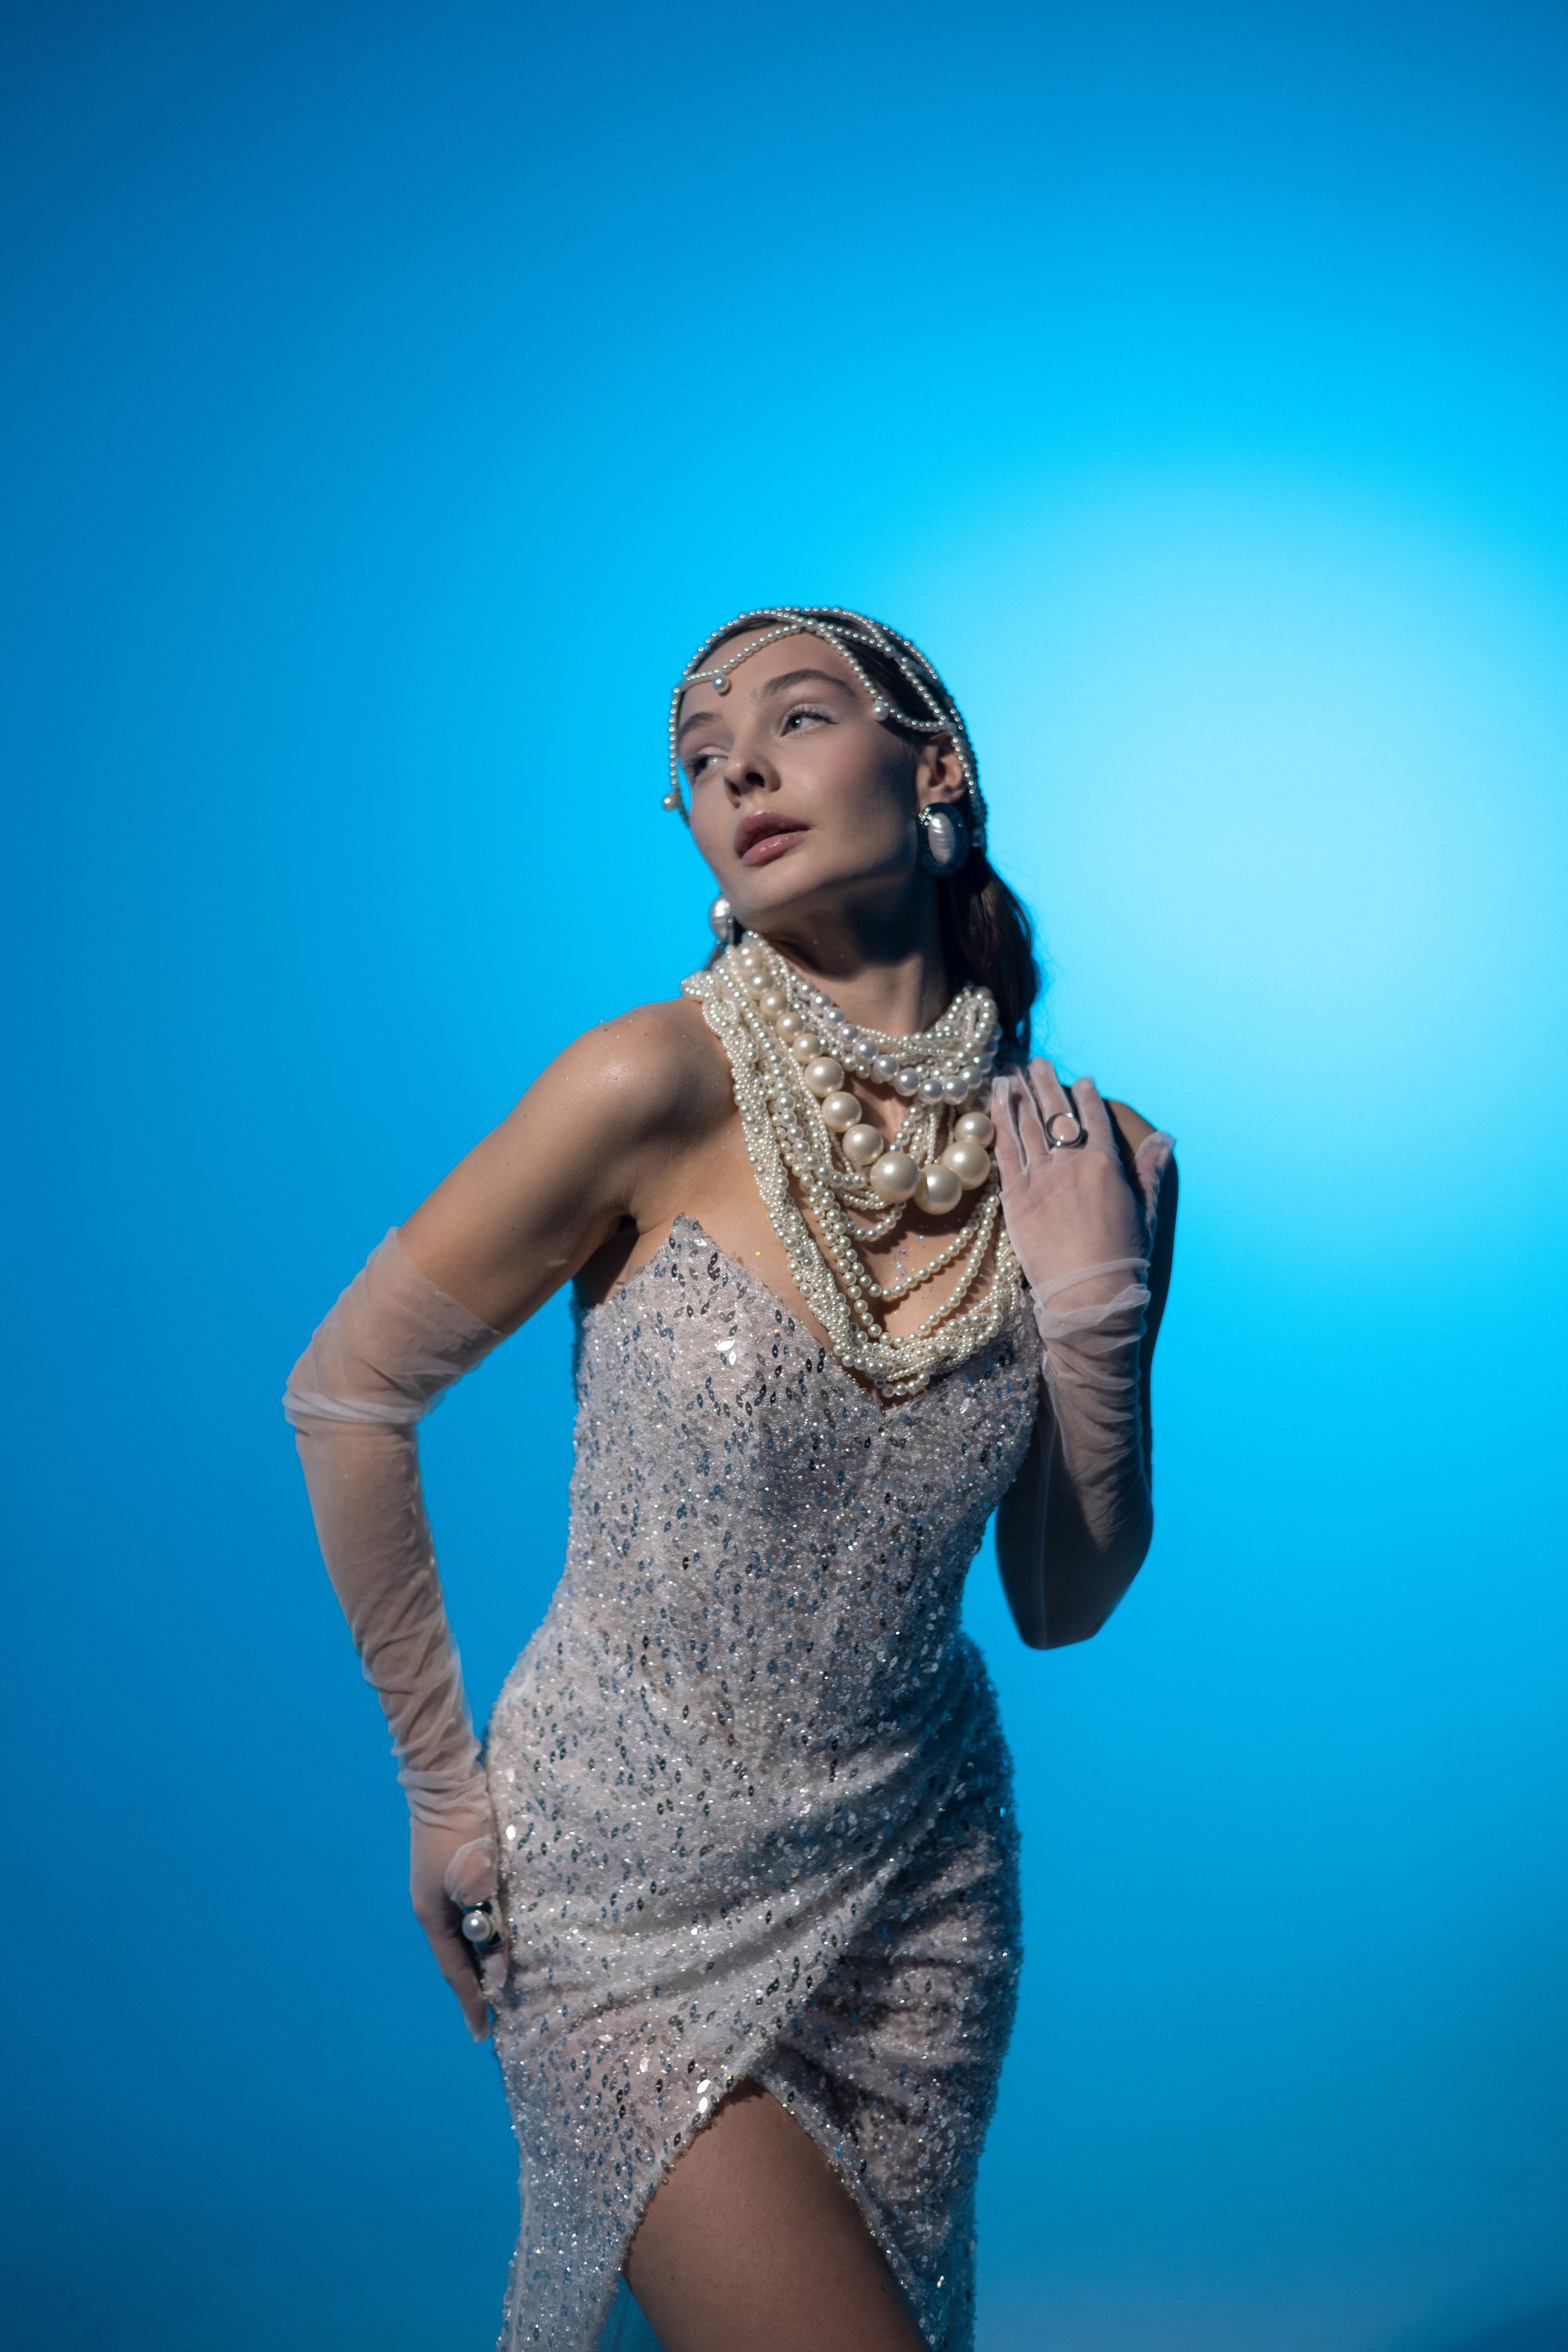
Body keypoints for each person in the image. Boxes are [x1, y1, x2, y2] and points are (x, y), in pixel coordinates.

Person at [285, 608, 1177, 2352]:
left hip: (915, 1891)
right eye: (700, 759)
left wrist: (1098, 1323)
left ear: (934, 769)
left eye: (796, 720)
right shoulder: (650, 1082)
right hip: (614, 1878)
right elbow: (347, 1393)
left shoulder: (1098, 1163)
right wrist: (441, 1788)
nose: (740, 770)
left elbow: (1060, 1601)